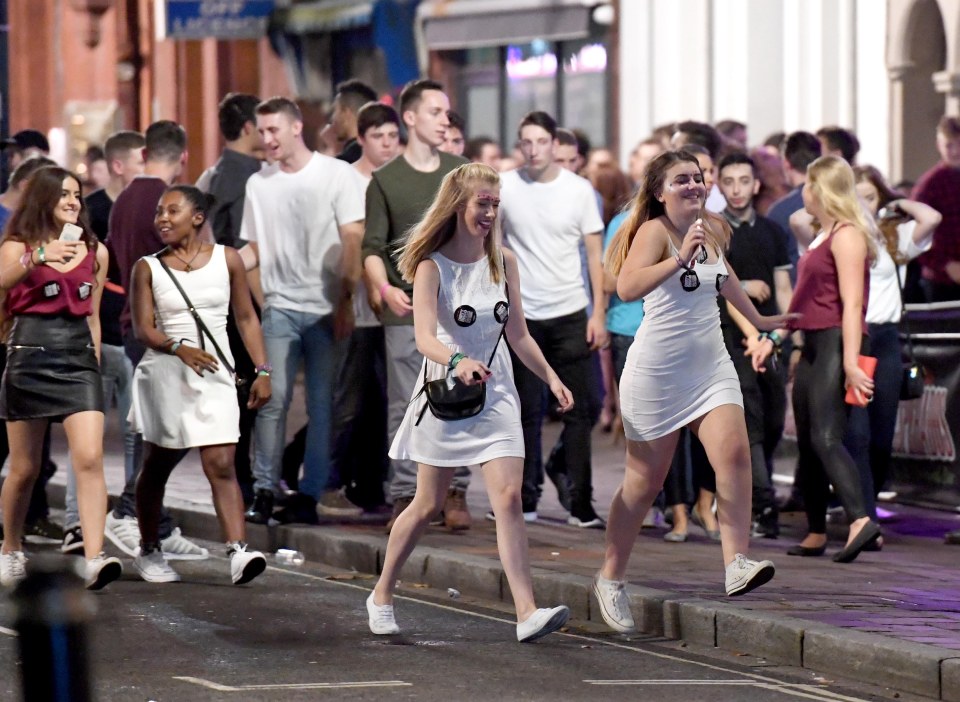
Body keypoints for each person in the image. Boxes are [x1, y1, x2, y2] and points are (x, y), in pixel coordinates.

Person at [366, 163, 572, 642]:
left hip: (497, 392)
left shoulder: (505, 261)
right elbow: (422, 338)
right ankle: (381, 593)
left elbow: (518, 334)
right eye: (483, 203)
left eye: (496, 205)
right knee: (426, 503)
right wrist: (457, 358)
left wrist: (551, 377)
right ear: (458, 204)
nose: (490, 213)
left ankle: (526, 612)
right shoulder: (431, 266)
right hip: (446, 393)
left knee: (509, 498)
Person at [593, 150, 785, 632]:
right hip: (657, 372)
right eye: (682, 180)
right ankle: (611, 577)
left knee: (735, 454)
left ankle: (736, 562)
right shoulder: (654, 231)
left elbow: (725, 283)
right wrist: (678, 258)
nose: (693, 185)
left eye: (698, 178)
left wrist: (761, 322)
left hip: (710, 365)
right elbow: (627, 287)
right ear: (660, 191)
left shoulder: (714, 228)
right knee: (644, 485)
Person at [129, 186, 270, 584]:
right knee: (157, 465)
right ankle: (149, 549)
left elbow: (245, 318)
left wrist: (263, 370)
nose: (162, 219)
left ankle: (238, 551)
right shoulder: (148, 267)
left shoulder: (228, 259)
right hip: (166, 373)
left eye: (172, 211)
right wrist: (179, 348)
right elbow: (143, 329)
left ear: (197, 216)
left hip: (215, 373)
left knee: (221, 462)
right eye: (159, 212)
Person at [240, 97, 364, 525]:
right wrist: (240, 281)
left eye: (274, 130)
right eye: (262, 131)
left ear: (296, 128)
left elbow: (353, 238)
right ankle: (263, 489)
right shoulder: (260, 184)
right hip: (281, 308)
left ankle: (309, 495)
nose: (267, 139)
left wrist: (346, 299)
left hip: (326, 308)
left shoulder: (336, 175)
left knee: (321, 405)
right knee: (270, 400)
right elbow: (253, 249)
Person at [0, 165, 121, 589]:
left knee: (89, 457)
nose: (72, 201)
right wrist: (38, 257)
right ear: (44, 200)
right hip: (29, 354)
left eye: (77, 195)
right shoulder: (18, 243)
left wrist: (96, 360)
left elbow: (93, 316)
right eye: (63, 194)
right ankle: (11, 548)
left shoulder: (96, 250)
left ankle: (93, 556)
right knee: (24, 468)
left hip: (79, 358)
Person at [361, 79, 471, 532]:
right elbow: (371, 246)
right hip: (404, 307)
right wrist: (385, 289)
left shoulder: (462, 171)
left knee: (463, 394)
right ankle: (406, 494)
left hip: (457, 309)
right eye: (435, 112)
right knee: (406, 402)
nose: (445, 120)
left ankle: (456, 489)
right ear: (409, 117)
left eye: (447, 112)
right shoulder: (385, 180)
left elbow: (481, 233)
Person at [769, 155, 882, 563]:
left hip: (838, 340)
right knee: (808, 440)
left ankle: (859, 520)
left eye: (808, 185)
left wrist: (851, 362)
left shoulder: (848, 234)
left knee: (827, 436)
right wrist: (779, 335)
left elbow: (853, 305)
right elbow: (802, 296)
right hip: (814, 341)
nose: (802, 192)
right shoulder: (823, 233)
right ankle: (816, 530)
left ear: (820, 188)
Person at [106, 119, 208, 560]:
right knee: (174, 428)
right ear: (184, 157)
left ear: (145, 152)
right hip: (163, 330)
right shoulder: (168, 203)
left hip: (135, 323)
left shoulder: (123, 199)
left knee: (158, 427)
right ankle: (129, 510)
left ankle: (158, 525)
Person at [499, 111, 606, 527]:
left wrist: (597, 310)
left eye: (540, 141)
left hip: (569, 309)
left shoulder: (579, 190)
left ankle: (580, 501)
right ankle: (525, 497)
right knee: (525, 408)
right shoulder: (505, 186)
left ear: (554, 143)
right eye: (525, 141)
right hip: (523, 314)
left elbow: (594, 254)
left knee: (582, 407)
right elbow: (491, 241)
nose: (533, 149)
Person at [62, 131, 145, 554]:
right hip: (94, 338)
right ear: (118, 165)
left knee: (136, 433)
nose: (145, 168)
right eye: (139, 159)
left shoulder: (147, 208)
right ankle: (76, 523)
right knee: (88, 441)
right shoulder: (90, 211)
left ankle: (130, 515)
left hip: (131, 337)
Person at [848, 166, 938, 540]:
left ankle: (866, 506)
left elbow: (932, 217)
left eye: (869, 196)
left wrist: (895, 203)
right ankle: (865, 518)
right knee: (858, 430)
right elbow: (799, 219)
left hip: (885, 338)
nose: (863, 204)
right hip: (853, 337)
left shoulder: (893, 236)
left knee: (883, 431)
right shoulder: (840, 235)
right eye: (856, 195)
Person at [716, 152, 794, 539]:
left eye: (743, 181)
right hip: (732, 338)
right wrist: (750, 332)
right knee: (751, 421)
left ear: (756, 184)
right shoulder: (713, 232)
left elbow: (783, 288)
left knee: (776, 414)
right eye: (728, 181)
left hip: (771, 337)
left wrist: (784, 334)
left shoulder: (772, 231)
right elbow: (722, 289)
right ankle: (763, 504)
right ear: (717, 184)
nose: (736, 190)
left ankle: (754, 495)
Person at [913, 115, 960, 302]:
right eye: (949, 145)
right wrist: (946, 264)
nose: (955, 151)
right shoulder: (929, 185)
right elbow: (915, 233)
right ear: (938, 145)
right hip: (942, 281)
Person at [330, 79, 378, 164]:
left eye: (335, 110)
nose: (332, 118)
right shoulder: (385, 155)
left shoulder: (345, 163)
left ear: (346, 113)